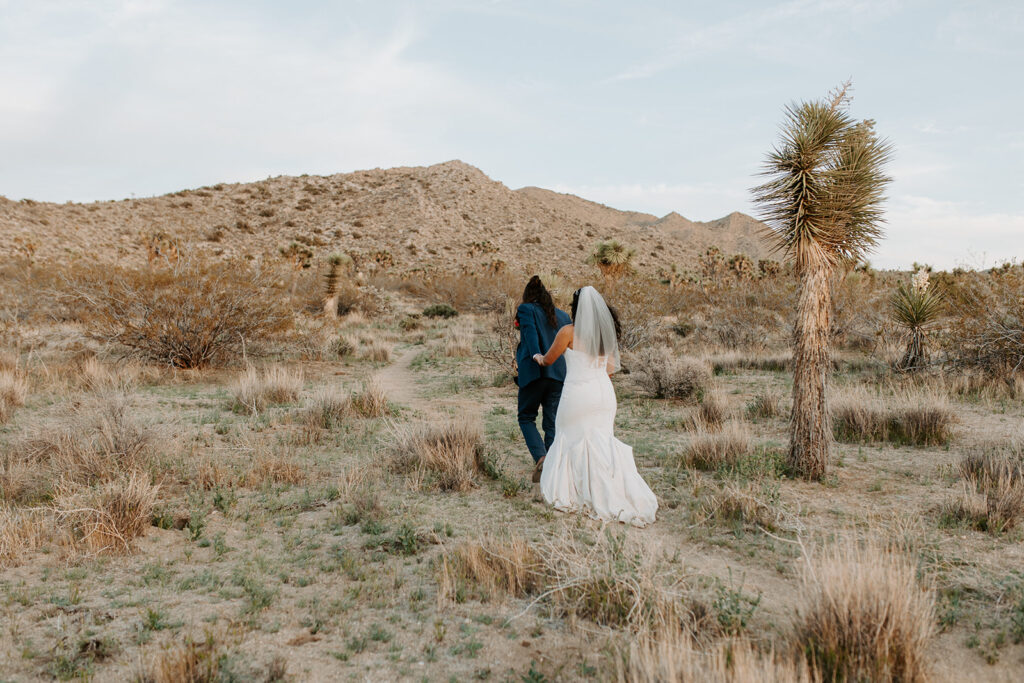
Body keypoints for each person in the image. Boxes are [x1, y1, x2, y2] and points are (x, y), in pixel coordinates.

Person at [532, 286, 658, 527]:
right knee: (601, 441)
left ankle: (577, 489)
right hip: (603, 394)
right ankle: (610, 489)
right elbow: (610, 368)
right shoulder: (603, 335)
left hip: (579, 393)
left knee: (570, 436)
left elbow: (549, 359)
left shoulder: (568, 332)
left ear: (576, 308)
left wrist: (537, 357)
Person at [515, 276, 573, 483]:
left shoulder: (526, 309)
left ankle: (541, 458)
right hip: (559, 375)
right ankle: (554, 465)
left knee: (526, 417)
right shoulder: (563, 316)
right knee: (552, 422)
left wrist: (535, 354)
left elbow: (529, 332)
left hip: (535, 372)